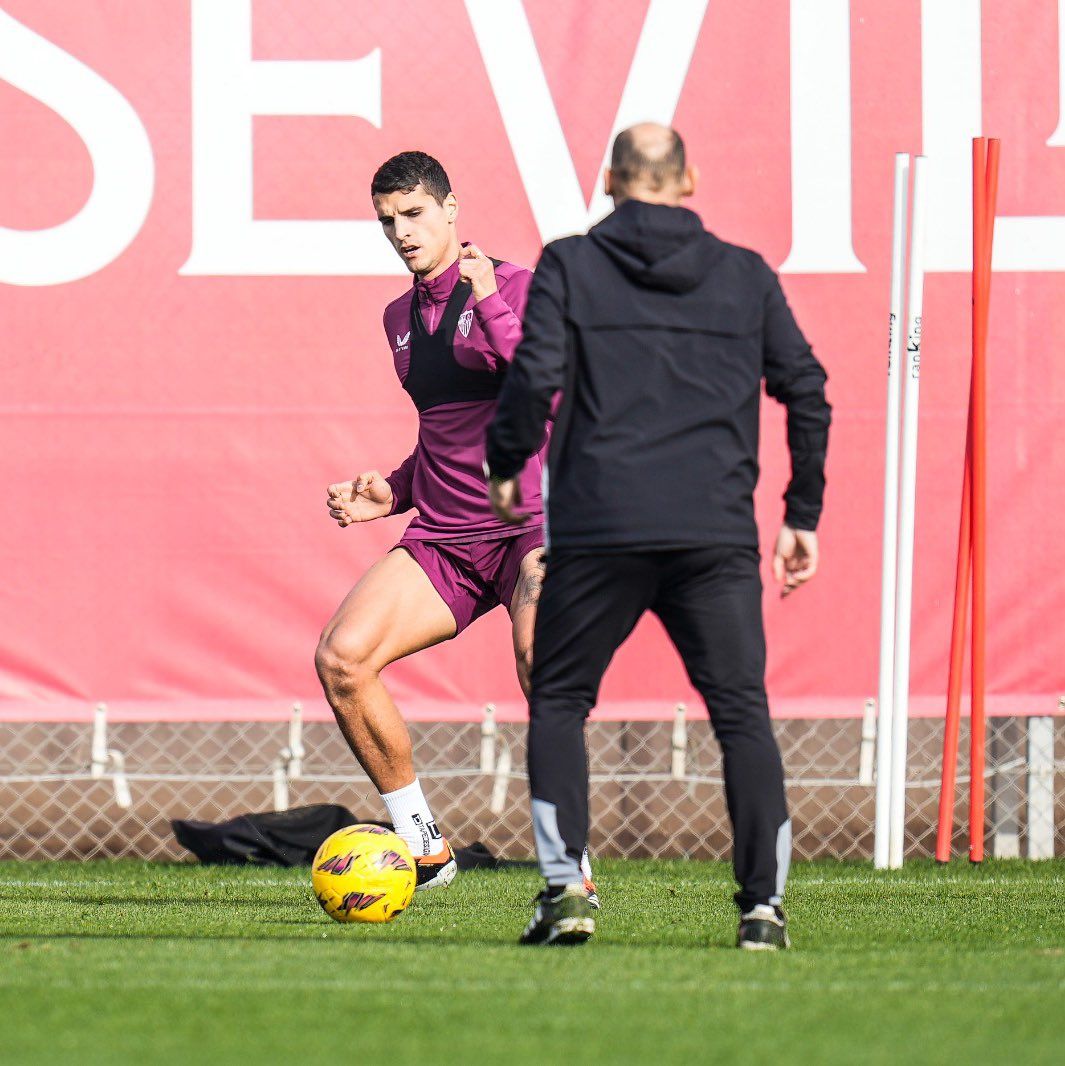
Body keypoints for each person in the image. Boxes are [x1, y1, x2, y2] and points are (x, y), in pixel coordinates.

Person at [485, 124, 831, 947]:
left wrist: (507, 464)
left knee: (561, 702)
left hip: (601, 525)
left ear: (610, 179)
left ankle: (567, 893)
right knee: (741, 713)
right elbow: (808, 390)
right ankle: (762, 910)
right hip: (711, 531)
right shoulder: (744, 275)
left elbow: (534, 376)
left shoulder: (569, 263)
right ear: (690, 179)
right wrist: (802, 513)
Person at [314, 151, 546, 892]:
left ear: (452, 208)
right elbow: (446, 432)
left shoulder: (517, 287)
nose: (402, 232)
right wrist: (392, 490)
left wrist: (489, 302)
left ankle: (567, 868)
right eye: (388, 221)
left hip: (535, 528)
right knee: (342, 659)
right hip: (446, 538)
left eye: (414, 214)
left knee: (545, 665)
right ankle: (425, 847)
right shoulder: (399, 319)